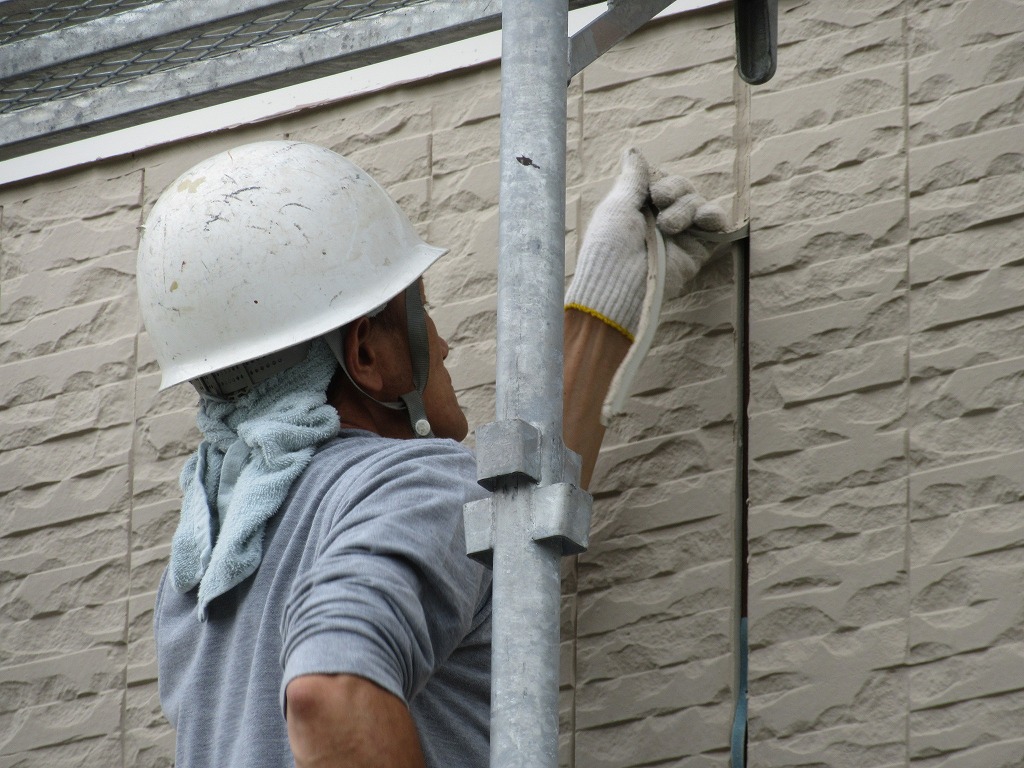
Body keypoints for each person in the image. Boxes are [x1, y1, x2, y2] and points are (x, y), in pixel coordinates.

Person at [137, 140, 727, 767]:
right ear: (365, 354)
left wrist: (607, 294)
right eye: (422, 311)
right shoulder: (406, 485)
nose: (442, 346)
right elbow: (330, 696)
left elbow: (512, 534)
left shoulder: (206, 569)